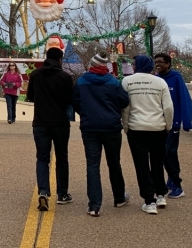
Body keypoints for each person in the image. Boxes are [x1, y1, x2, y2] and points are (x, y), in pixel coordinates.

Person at [72, 53, 130, 217]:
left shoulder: (82, 81)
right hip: (111, 127)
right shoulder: (113, 82)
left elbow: (75, 102)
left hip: (90, 127)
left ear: (91, 64)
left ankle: (94, 205)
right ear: (106, 67)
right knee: (114, 163)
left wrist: (85, 114)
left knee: (92, 165)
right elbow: (124, 101)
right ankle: (119, 197)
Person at [121, 54, 174, 215]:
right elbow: (168, 108)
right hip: (157, 128)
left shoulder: (127, 81)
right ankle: (160, 194)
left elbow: (125, 107)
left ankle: (149, 200)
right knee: (157, 162)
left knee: (141, 164)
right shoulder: (160, 82)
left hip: (137, 128)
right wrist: (168, 125)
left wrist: (126, 126)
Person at [25, 47, 75, 211]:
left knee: (42, 158)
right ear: (60, 59)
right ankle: (62, 194)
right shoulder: (65, 77)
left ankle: (43, 191)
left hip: (40, 122)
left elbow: (30, 96)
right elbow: (70, 99)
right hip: (60, 122)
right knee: (62, 157)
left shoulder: (36, 75)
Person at [154, 52, 192, 198]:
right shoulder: (156, 80)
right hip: (159, 123)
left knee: (170, 153)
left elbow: (185, 99)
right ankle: (170, 179)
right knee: (163, 154)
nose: (157, 64)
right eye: (155, 62)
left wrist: (187, 121)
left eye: (160, 62)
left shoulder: (176, 78)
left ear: (168, 64)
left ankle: (177, 185)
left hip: (174, 123)